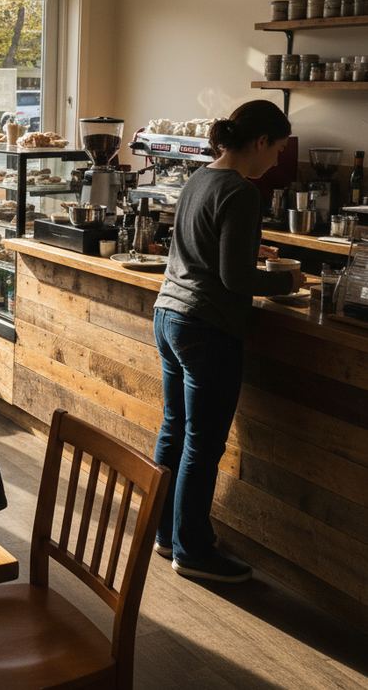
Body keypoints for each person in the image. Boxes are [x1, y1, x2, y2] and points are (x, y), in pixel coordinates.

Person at [152, 100, 304, 583]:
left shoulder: (199, 177)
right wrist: (291, 283)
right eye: (278, 149)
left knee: (175, 431)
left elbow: (194, 245)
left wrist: (244, 247)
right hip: (206, 326)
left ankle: (163, 532)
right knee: (202, 443)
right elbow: (235, 280)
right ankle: (193, 550)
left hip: (168, 315)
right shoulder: (241, 191)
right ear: (260, 142)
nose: (277, 160)